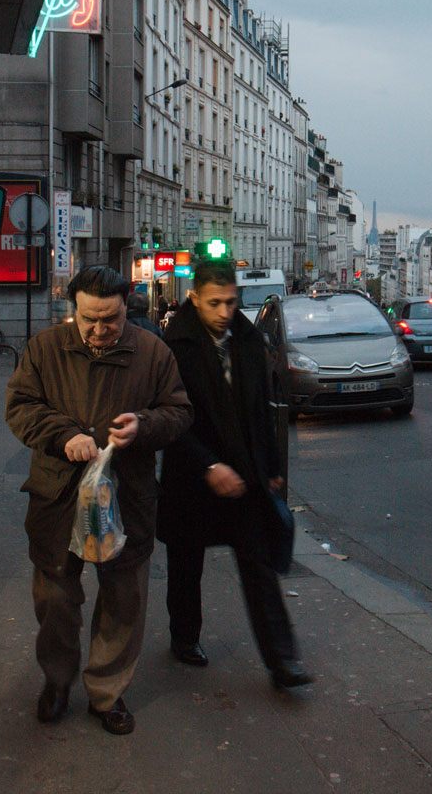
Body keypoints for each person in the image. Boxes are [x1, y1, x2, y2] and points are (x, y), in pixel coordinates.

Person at [5, 265, 193, 735]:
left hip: (126, 497)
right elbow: (21, 406)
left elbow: (179, 412)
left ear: (125, 308)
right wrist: (62, 434)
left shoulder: (152, 351)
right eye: (89, 318)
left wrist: (143, 427)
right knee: (54, 597)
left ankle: (107, 693)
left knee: (123, 600)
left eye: (109, 318)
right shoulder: (46, 349)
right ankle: (58, 682)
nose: (99, 328)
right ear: (74, 308)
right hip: (58, 495)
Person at [158, 259, 312, 689]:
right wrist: (207, 464)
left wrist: (273, 469)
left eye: (230, 301)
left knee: (259, 567)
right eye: (214, 303)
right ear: (194, 298)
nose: (224, 311)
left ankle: (284, 661)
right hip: (193, 475)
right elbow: (170, 419)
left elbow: (262, 410)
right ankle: (184, 638)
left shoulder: (246, 339)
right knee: (186, 566)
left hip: (243, 476)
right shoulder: (175, 345)